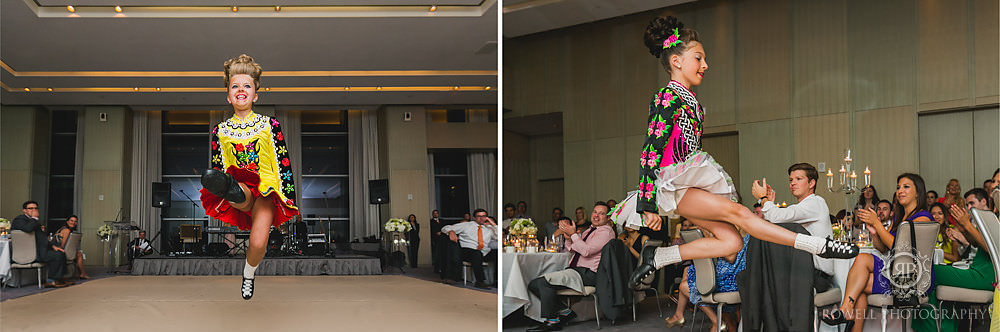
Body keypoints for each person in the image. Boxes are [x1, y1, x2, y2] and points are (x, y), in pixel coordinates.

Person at [613, 16, 857, 289]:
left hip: (689, 181)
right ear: (676, 61)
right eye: (698, 58)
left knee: (732, 243)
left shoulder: (691, 100)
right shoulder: (666, 96)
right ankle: (818, 246)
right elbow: (650, 150)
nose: (705, 65)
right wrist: (646, 205)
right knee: (740, 213)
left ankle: (658, 256)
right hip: (672, 184)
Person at [199, 54, 299, 300]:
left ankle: (249, 273)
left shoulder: (269, 125)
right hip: (240, 188)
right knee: (232, 186)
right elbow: (218, 166)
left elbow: (283, 163)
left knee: (257, 244)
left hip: (265, 191)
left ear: (255, 94)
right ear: (228, 95)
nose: (240, 90)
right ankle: (231, 191)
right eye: (235, 86)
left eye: (247, 86)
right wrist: (219, 189)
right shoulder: (220, 131)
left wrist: (286, 198)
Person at [822, 173, 932, 331]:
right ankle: (847, 311)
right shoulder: (900, 218)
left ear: (918, 192)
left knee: (860, 274)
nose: (900, 190)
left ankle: (846, 310)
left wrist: (878, 225)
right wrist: (875, 232)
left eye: (906, 187)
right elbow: (883, 248)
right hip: (896, 274)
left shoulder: (923, 218)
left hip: (911, 279)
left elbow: (902, 249)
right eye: (898, 187)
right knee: (860, 277)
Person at [526, 202, 615, 331]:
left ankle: (552, 321)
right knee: (534, 284)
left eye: (601, 214)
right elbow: (574, 249)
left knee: (542, 283)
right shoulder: (590, 230)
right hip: (577, 271)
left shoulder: (605, 233)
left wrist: (573, 234)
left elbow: (586, 251)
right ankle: (565, 312)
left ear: (608, 218)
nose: (596, 216)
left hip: (588, 274)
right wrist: (568, 238)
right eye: (595, 212)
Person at [751, 163, 835, 286]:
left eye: (798, 179)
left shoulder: (815, 203)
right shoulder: (802, 206)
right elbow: (776, 223)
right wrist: (768, 202)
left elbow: (777, 217)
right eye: (791, 180)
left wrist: (763, 198)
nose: (792, 183)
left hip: (818, 276)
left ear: (811, 183)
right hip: (804, 271)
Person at [11, 201, 70, 288]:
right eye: (30, 208)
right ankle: (51, 281)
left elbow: (42, 238)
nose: (33, 210)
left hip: (40, 249)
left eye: (35, 208)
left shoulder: (34, 221)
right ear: (24, 211)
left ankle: (59, 278)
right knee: (58, 256)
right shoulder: (19, 220)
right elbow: (28, 229)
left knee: (61, 253)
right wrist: (34, 218)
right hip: (29, 253)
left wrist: (53, 246)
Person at [442, 209, 498, 289]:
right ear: (474, 218)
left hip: (484, 252)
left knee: (498, 254)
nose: (482, 218)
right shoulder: (466, 225)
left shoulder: (489, 228)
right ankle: (480, 281)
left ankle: (497, 281)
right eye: (479, 216)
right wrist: (451, 231)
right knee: (476, 253)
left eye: (484, 216)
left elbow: (498, 237)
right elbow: (445, 228)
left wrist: (493, 224)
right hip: (467, 251)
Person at [55, 215, 90, 279]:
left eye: (75, 221)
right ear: (67, 221)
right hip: (60, 251)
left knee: (78, 253)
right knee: (79, 255)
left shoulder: (65, 229)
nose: (73, 222)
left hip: (65, 251)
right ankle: (82, 273)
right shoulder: (66, 230)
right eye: (71, 221)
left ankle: (78, 273)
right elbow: (62, 245)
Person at [430, 209, 446, 274]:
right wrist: (436, 233)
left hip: (442, 239)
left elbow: (445, 228)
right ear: (432, 214)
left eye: (436, 213)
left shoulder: (442, 221)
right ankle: (436, 269)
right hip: (435, 239)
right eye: (434, 213)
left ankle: (441, 268)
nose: (435, 214)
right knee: (436, 254)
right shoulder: (431, 221)